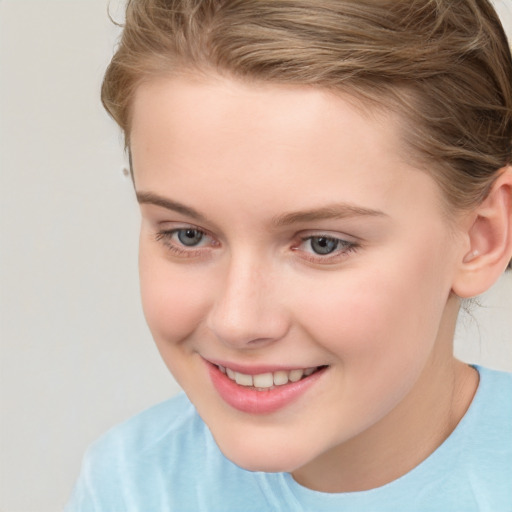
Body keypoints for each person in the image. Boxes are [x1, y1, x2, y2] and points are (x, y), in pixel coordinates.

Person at [66, 0, 512, 510]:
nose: (238, 322)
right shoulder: (131, 487)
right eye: (188, 235)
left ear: (482, 238)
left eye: (323, 244)